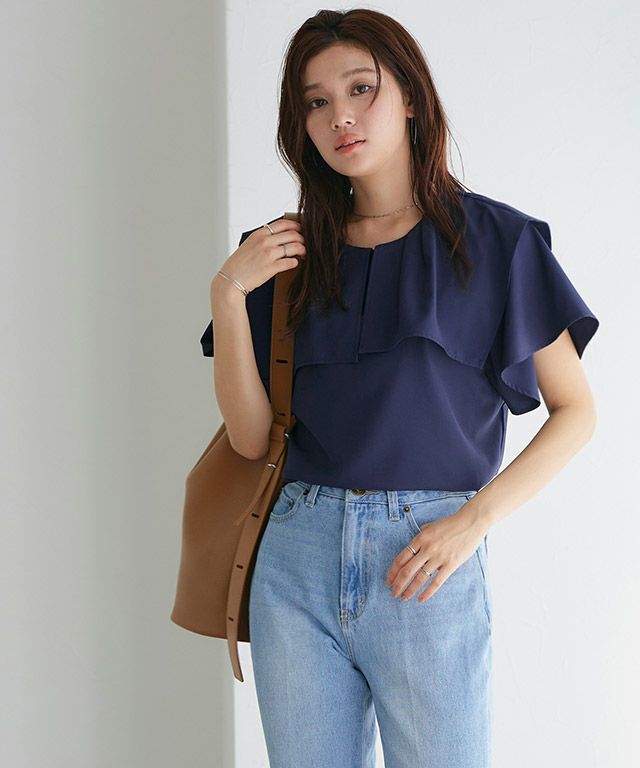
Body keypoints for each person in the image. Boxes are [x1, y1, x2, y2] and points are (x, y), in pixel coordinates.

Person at [201, 8, 600, 768]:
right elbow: (252, 440)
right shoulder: (280, 254)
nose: (340, 117)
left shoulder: (497, 241)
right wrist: (227, 294)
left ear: (410, 96)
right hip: (295, 557)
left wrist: (472, 522)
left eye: (361, 88)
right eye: (316, 102)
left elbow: (576, 411)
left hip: (425, 557)